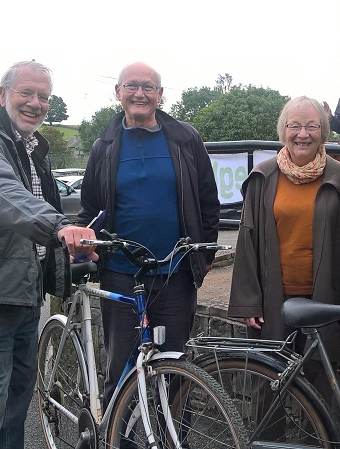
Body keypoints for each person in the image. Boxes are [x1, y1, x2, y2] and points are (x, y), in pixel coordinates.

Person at [0, 60, 97, 449]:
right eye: (26, 93)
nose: (35, 103)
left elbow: (34, 210)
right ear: (3, 94)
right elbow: (1, 193)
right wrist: (60, 227)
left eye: (43, 96)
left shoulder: (30, 148)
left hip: (25, 294)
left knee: (15, 407)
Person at [77, 61, 220, 408]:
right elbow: (90, 209)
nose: (139, 93)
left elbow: (207, 204)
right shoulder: (104, 146)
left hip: (175, 275)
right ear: (118, 93)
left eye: (148, 87)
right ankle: (119, 441)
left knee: (175, 372)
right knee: (122, 370)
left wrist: (201, 259)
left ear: (160, 95)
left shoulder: (186, 139)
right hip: (121, 276)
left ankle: (173, 441)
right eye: (131, 86)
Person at [227, 96, 340, 439]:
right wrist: (249, 301)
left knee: (320, 384)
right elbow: (246, 243)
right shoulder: (263, 178)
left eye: (312, 126)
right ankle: (266, 444)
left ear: (323, 132)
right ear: (283, 131)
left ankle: (315, 444)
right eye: (294, 126)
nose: (302, 134)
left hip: (324, 298)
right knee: (267, 382)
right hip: (273, 299)